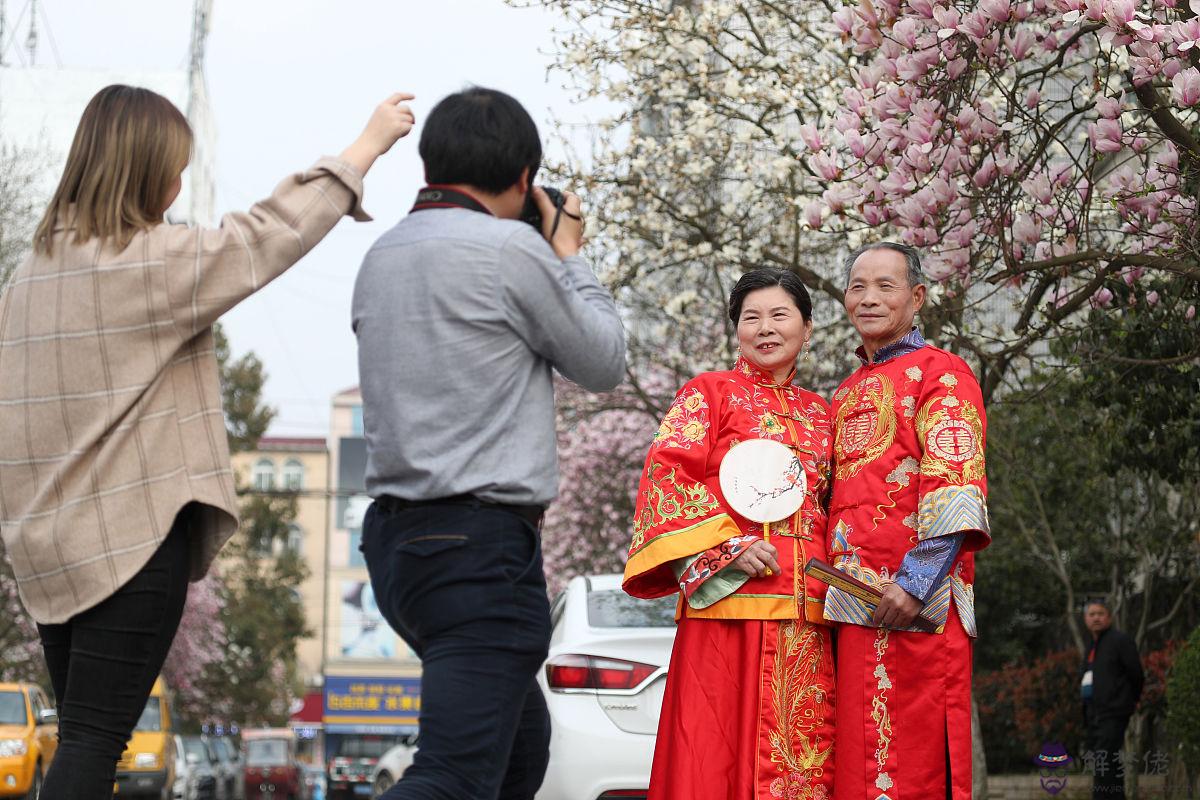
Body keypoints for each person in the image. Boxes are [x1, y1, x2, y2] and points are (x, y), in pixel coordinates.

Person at [0, 83, 414, 798]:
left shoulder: (28, 276)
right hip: (128, 544)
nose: (180, 182)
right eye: (174, 166)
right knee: (94, 747)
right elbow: (267, 236)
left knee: (82, 741)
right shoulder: (146, 263)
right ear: (140, 171)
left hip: (47, 554)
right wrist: (365, 147)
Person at [352, 86, 625, 800]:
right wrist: (567, 254)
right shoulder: (509, 250)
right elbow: (601, 361)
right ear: (524, 178)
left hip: (398, 551)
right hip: (478, 552)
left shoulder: (382, 254)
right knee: (454, 776)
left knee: (518, 754)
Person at [623, 268, 836, 800]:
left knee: (803, 762)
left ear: (807, 328)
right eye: (751, 317)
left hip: (805, 615)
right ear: (735, 329)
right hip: (728, 609)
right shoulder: (709, 394)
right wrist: (727, 548)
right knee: (711, 761)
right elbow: (666, 476)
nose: (765, 328)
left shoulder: (824, 415)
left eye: (779, 315)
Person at [822, 242, 991, 800]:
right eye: (857, 286)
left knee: (912, 770)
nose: (867, 298)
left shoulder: (941, 373)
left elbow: (957, 483)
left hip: (919, 609)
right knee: (858, 772)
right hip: (850, 608)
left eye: (884, 286)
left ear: (916, 298)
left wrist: (915, 583)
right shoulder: (844, 393)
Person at [1080, 598, 1143, 798]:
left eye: (1100, 614)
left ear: (1109, 617)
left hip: (1113, 712)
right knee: (1106, 764)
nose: (1096, 618)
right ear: (1085, 619)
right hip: (1094, 714)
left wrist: (1127, 701)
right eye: (1092, 614)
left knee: (1104, 761)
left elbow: (1136, 674)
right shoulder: (1092, 646)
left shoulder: (1119, 641)